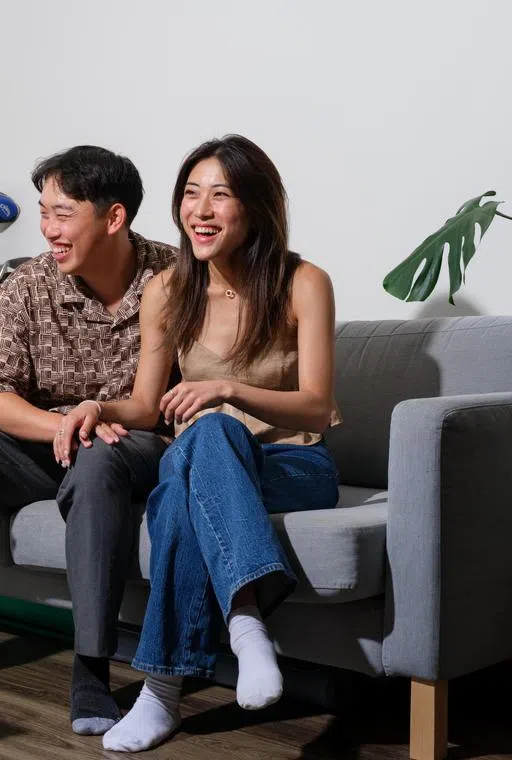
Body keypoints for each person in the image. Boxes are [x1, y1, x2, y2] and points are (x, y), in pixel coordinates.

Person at [53, 134, 342, 752]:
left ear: (256, 206)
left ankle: (162, 693)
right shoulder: (168, 290)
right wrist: (98, 406)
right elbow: (146, 404)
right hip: (201, 458)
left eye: (220, 195)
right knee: (192, 460)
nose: (200, 210)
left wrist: (228, 390)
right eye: (190, 195)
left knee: (204, 439)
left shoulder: (304, 282)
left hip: (291, 462)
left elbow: (317, 404)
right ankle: (243, 623)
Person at [0, 145, 175, 737]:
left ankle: (92, 668)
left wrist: (95, 427)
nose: (48, 229)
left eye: (63, 214)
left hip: (135, 443)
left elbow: (168, 400)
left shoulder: (175, 278)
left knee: (99, 462)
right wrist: (65, 424)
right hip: (48, 439)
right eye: (43, 213)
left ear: (114, 217)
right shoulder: (26, 283)